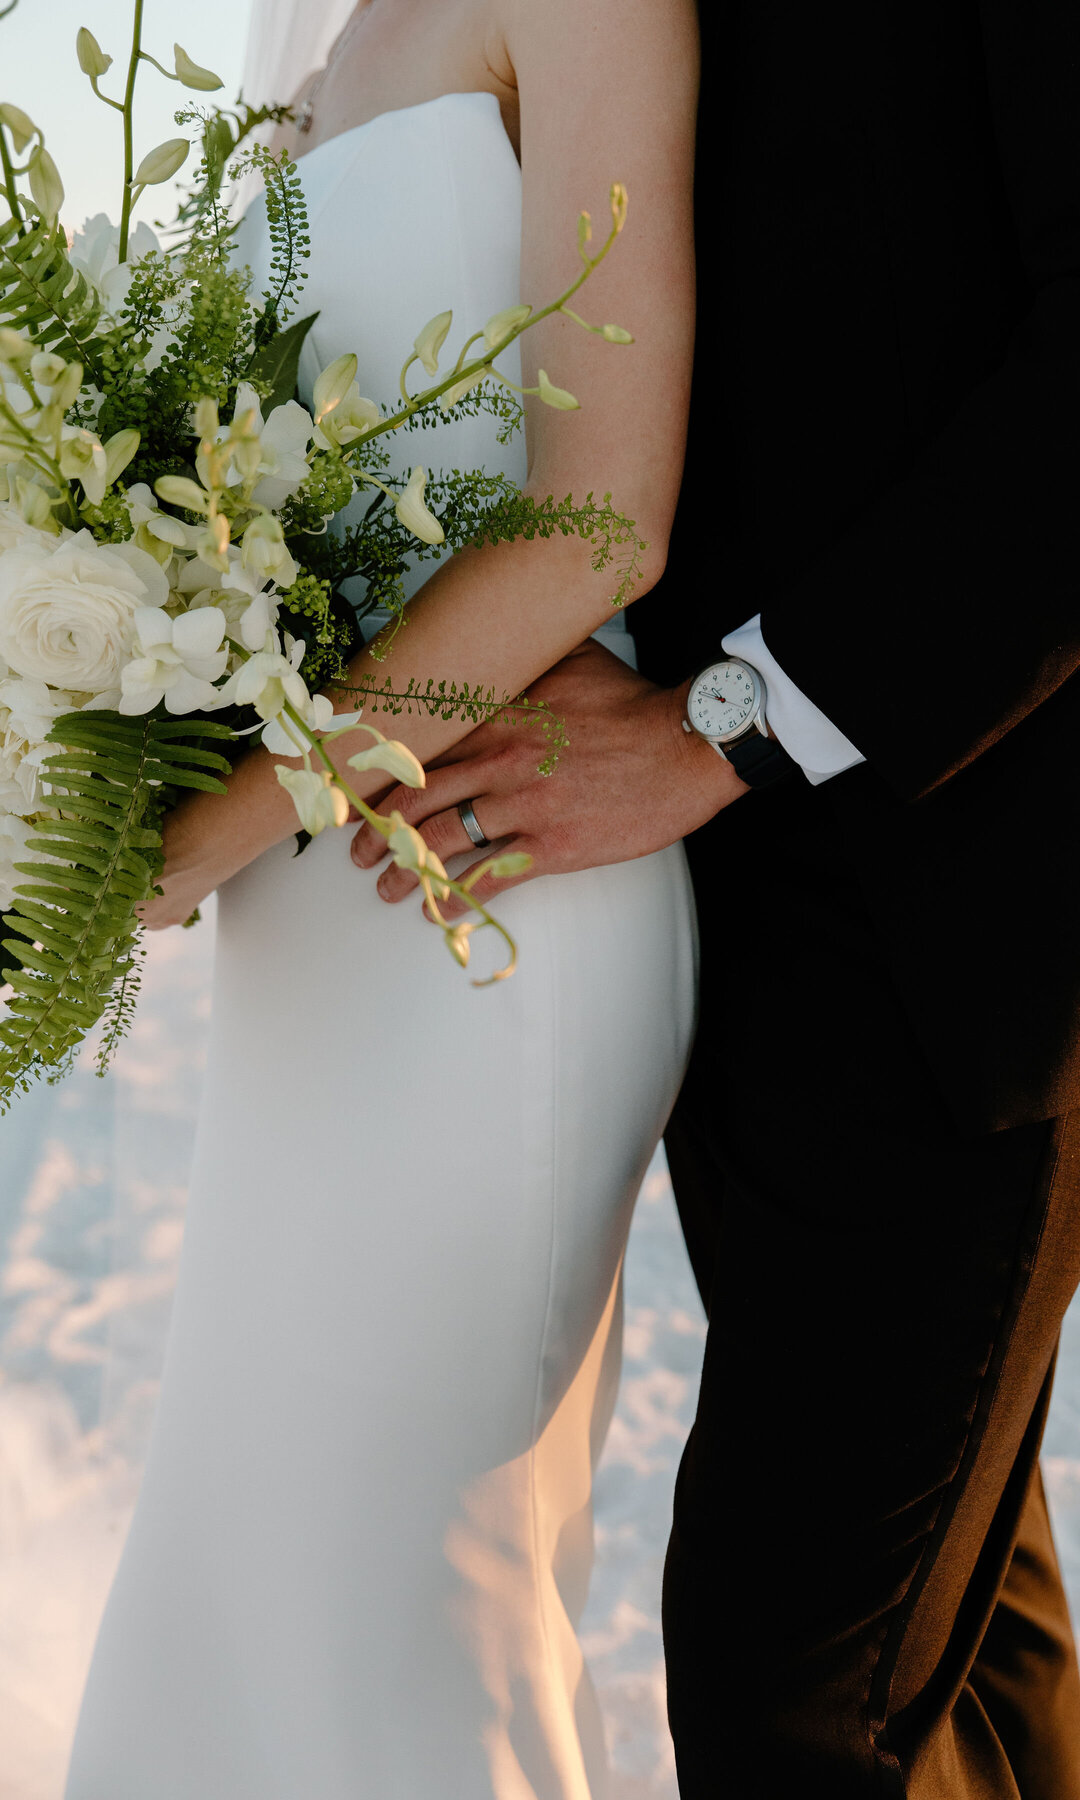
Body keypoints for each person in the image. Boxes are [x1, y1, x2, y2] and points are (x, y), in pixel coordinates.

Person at [357, 1, 1080, 1794]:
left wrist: (721, 727)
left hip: (980, 885)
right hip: (692, 881)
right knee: (949, 1625)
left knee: (786, 1697)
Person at [64, 4, 708, 1796]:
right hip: (302, 926)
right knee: (255, 1557)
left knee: (408, 1587)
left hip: (480, 888)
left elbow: (600, 521)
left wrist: (220, 823)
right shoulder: (297, 54)